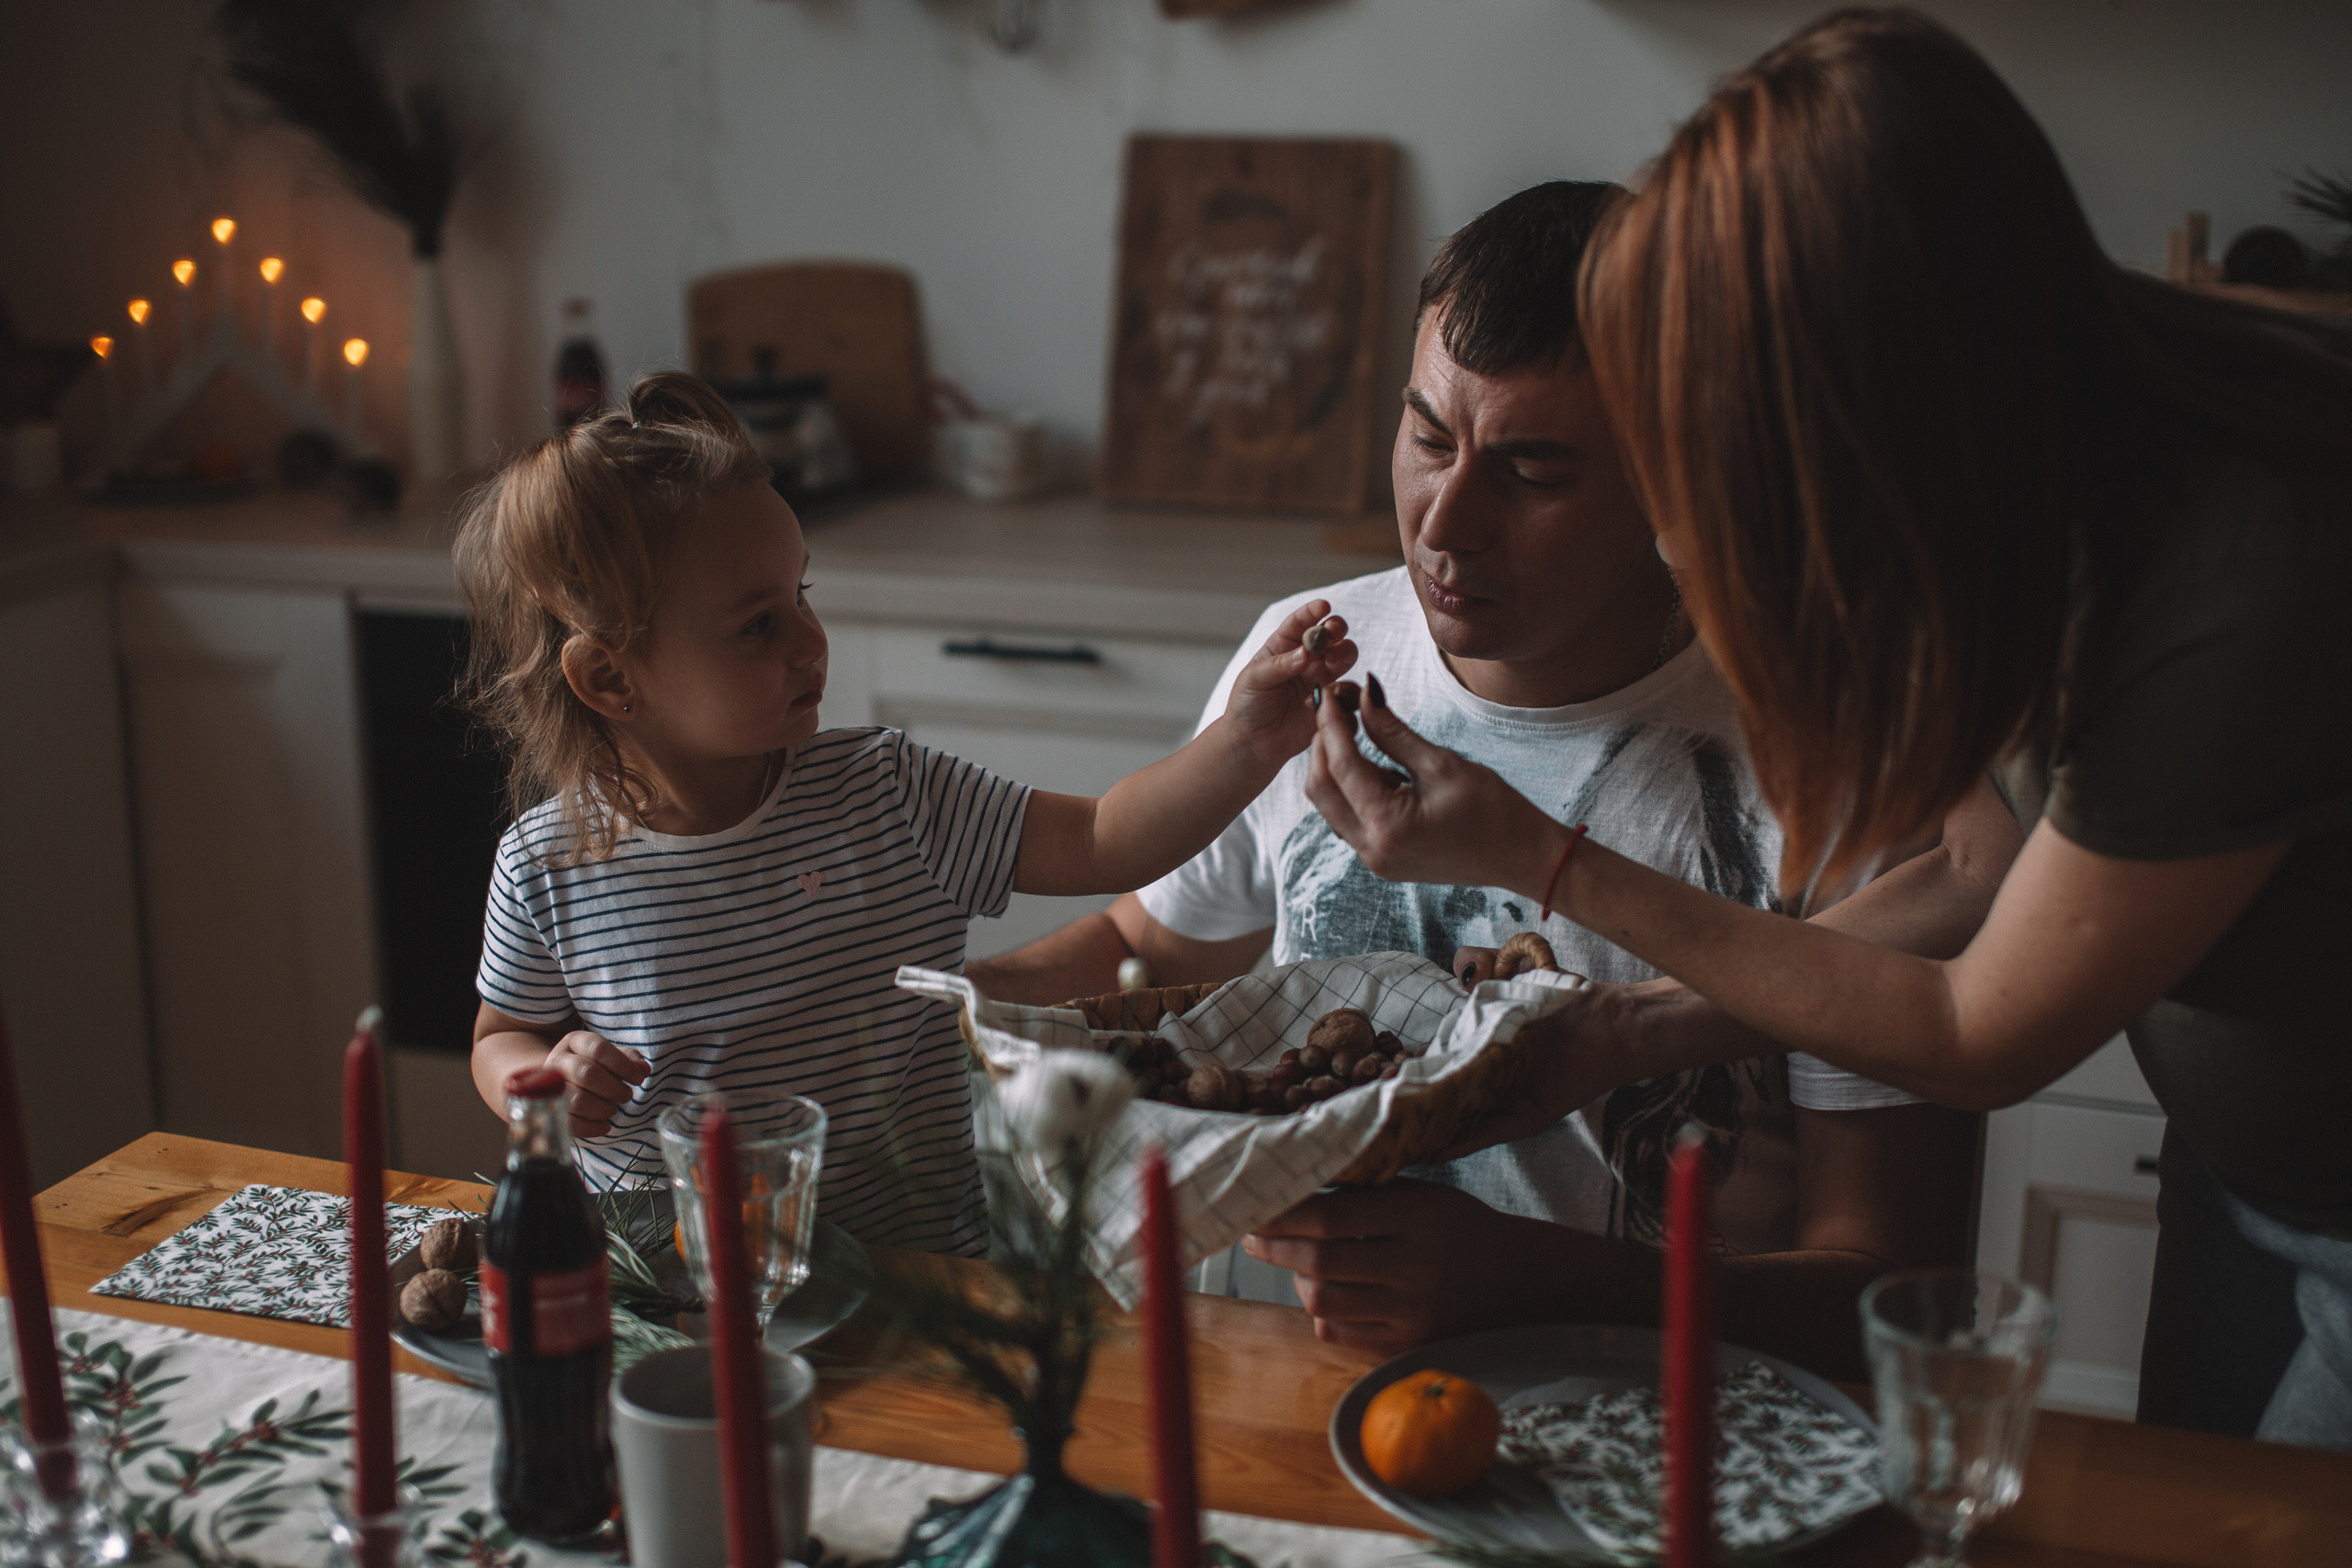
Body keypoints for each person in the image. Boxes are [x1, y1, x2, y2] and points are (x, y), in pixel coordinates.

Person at [1301, 11, 2352, 1448]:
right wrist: (1626, 1031)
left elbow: (1980, 1031)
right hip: (2252, 1168)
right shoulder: (2031, 458)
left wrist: (1546, 859)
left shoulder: (2245, 580)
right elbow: (1983, 865)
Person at [970, 182, 1999, 1379]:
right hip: (1291, 1403)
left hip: (1667, 1434)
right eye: (1427, 439)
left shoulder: (1840, 765)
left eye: (1533, 471)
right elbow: (1148, 949)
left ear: (1679, 479)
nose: (1445, 523)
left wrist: (1532, 1280)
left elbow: (1898, 1298)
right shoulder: (1317, 650)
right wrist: (921, 1015)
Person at [454, 372, 1356, 1256]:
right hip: (665, 1288)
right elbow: (501, 1036)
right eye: (758, 625)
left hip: (914, 1283)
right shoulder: (544, 865)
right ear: (610, 677)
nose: (811, 641)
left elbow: (1101, 838)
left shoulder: (887, 793)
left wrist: (1243, 744)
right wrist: (540, 1079)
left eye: (800, 596)